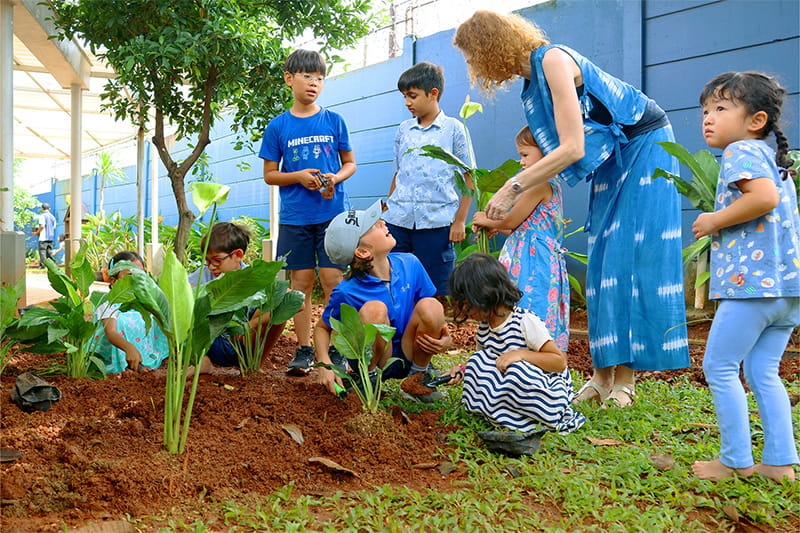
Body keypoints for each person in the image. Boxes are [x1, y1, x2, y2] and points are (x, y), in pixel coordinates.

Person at [454, 11, 689, 407]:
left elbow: (573, 148)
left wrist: (514, 186)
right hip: (612, 156)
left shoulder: (552, 60)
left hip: (644, 145)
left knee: (624, 259)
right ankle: (600, 377)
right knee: (601, 264)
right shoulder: (532, 82)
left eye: (471, 55)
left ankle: (625, 381)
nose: (474, 66)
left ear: (488, 46)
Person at [689, 72, 799, 482]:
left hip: (753, 289)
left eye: (720, 108)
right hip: (788, 292)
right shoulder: (773, 160)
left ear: (756, 120)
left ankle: (734, 461)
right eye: (705, 110)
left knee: (719, 366)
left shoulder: (741, 152)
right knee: (762, 372)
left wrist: (714, 219)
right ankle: (779, 463)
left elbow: (762, 199)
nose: (708, 118)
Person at [259, 49, 357, 376]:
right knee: (299, 284)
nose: (314, 83)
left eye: (319, 78)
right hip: (295, 218)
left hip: (332, 216)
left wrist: (335, 177)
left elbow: (350, 164)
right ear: (289, 79)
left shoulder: (334, 121)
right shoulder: (278, 127)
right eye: (306, 76)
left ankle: (336, 348)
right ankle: (303, 349)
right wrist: (298, 177)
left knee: (333, 281)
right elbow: (270, 175)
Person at [315, 199, 453, 402]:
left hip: (409, 349)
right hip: (375, 357)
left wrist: (445, 338)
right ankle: (368, 381)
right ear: (363, 252)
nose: (382, 222)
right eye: (374, 225)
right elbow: (321, 328)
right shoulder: (347, 291)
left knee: (431, 305)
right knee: (375, 310)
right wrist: (324, 365)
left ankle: (418, 378)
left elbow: (429, 315)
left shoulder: (410, 263)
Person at [444, 253, 585, 433]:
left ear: (487, 295)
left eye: (467, 303)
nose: (465, 310)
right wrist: (462, 370)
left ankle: (538, 419)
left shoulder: (524, 321)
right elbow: (485, 363)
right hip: (511, 389)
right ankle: (504, 417)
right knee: (478, 361)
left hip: (545, 390)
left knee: (516, 370)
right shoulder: (484, 329)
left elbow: (559, 362)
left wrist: (520, 355)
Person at [472, 126, 569, 351]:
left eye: (525, 155)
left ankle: (530, 351)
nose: (521, 162)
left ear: (546, 153)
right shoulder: (544, 185)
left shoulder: (540, 184)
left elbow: (510, 221)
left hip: (534, 262)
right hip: (529, 254)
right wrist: (499, 228)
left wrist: (485, 220)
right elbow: (521, 227)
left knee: (530, 304)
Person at [383, 61, 474, 296]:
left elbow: (468, 177)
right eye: (404, 96)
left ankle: (430, 332)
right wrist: (386, 212)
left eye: (412, 96)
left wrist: (460, 221)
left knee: (434, 291)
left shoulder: (454, 129)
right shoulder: (403, 130)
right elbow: (398, 173)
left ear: (433, 93)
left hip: (437, 224)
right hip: (398, 222)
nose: (407, 103)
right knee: (395, 285)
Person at [188, 222, 288, 375]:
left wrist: (251, 324)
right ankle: (203, 361)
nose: (211, 267)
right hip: (212, 342)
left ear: (238, 255)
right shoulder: (204, 274)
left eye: (216, 260)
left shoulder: (253, 276)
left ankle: (253, 365)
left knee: (278, 312)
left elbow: (294, 300)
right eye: (207, 261)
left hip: (244, 344)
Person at [93, 251, 169, 374]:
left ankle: (148, 360)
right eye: (130, 275)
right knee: (122, 322)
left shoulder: (145, 302)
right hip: (116, 354)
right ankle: (127, 366)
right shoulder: (108, 303)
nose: (137, 279)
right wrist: (129, 348)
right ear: (113, 281)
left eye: (141, 274)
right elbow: (111, 332)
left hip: (144, 350)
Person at [32, 203, 57, 268]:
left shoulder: (42, 216)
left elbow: (42, 226)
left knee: (42, 251)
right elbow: (54, 227)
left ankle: (43, 265)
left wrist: (37, 232)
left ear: (42, 209)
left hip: (43, 237)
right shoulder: (52, 217)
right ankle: (51, 265)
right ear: (49, 209)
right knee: (49, 252)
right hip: (50, 237)